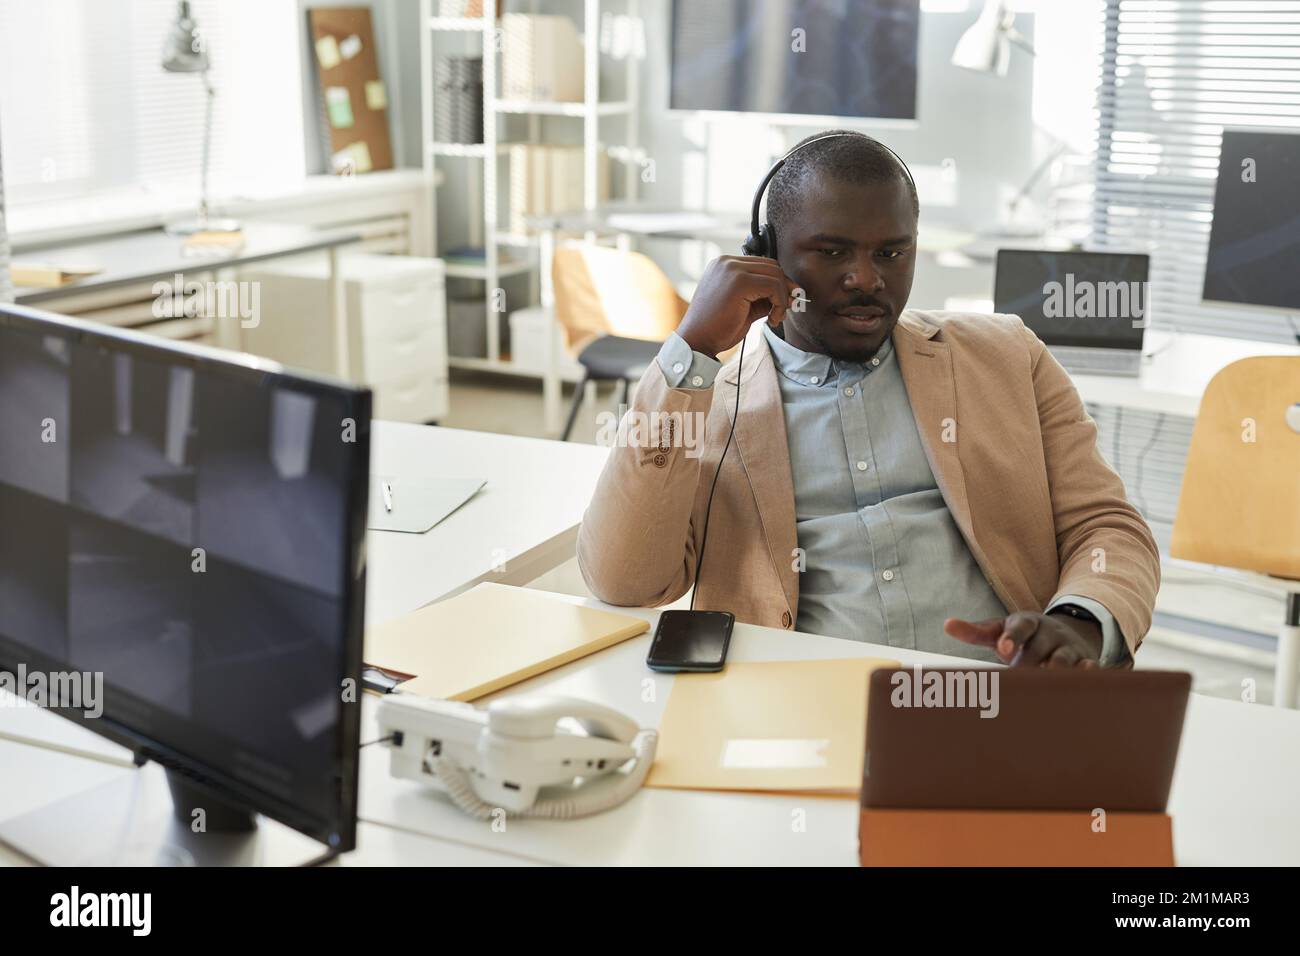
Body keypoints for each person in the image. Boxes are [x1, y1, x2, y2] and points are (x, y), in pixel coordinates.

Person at [577, 129, 1159, 667]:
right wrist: (692, 347)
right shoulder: (707, 407)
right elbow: (624, 580)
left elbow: (1105, 526)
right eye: (831, 253)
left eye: (891, 253)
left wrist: (1081, 621)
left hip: (998, 696)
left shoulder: (1007, 357)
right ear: (766, 256)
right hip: (804, 709)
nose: (866, 278)